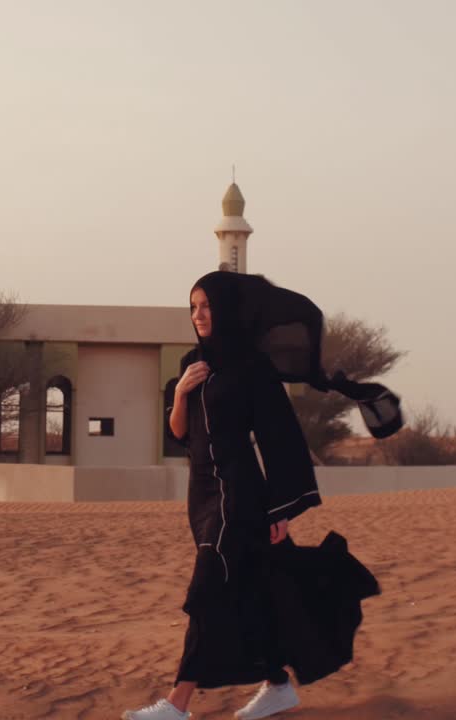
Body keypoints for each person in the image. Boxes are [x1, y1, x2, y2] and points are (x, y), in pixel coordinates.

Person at [122, 272, 396, 720]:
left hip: (240, 495)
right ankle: (278, 685)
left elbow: (279, 438)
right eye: (193, 307)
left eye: (207, 305)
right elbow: (180, 433)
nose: (198, 315)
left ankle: (177, 705)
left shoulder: (252, 367)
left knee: (208, 591)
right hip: (202, 495)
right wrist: (181, 393)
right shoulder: (192, 362)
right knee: (257, 589)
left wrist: (281, 508)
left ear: (227, 309)